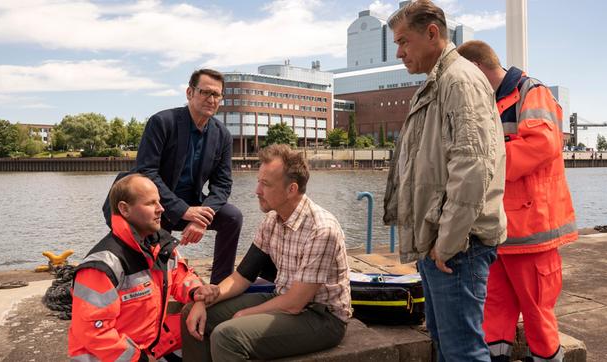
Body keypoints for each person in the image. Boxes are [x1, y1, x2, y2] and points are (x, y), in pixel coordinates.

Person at [382, 1, 507, 361]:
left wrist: (447, 244)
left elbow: (473, 168)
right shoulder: (439, 82)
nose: (399, 52)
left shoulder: (459, 81)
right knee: (447, 344)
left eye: (404, 41)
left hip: (457, 249)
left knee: (463, 352)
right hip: (440, 244)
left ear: (432, 32)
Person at [457, 40, 577, 362]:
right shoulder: (491, 101)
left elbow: (541, 145)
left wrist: (481, 162)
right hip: (498, 232)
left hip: (531, 233)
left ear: (477, 69)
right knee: (493, 312)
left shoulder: (531, 91)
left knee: (537, 316)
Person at [181, 144, 351, 361]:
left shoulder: (322, 229)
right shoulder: (272, 219)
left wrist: (245, 315)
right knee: (191, 313)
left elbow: (295, 303)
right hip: (283, 298)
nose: (257, 191)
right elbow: (242, 277)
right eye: (258, 182)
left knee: (228, 337)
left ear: (291, 189)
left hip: (321, 317)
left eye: (265, 184)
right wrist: (206, 298)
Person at [103, 68, 242, 284]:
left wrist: (202, 218)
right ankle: (137, 281)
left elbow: (222, 184)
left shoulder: (222, 135)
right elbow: (147, 171)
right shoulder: (162, 122)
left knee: (232, 217)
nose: (211, 99)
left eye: (216, 95)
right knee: (156, 265)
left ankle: (219, 286)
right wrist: (184, 211)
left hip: (191, 202)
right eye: (205, 92)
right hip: (151, 201)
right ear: (189, 93)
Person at [69, 174, 218, 361]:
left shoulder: (159, 246)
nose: (161, 209)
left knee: (213, 324)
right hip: (113, 356)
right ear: (124, 209)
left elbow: (180, 276)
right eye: (150, 203)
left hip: (148, 346)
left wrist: (197, 291)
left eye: (159, 202)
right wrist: (138, 358)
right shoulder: (102, 266)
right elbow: (94, 332)